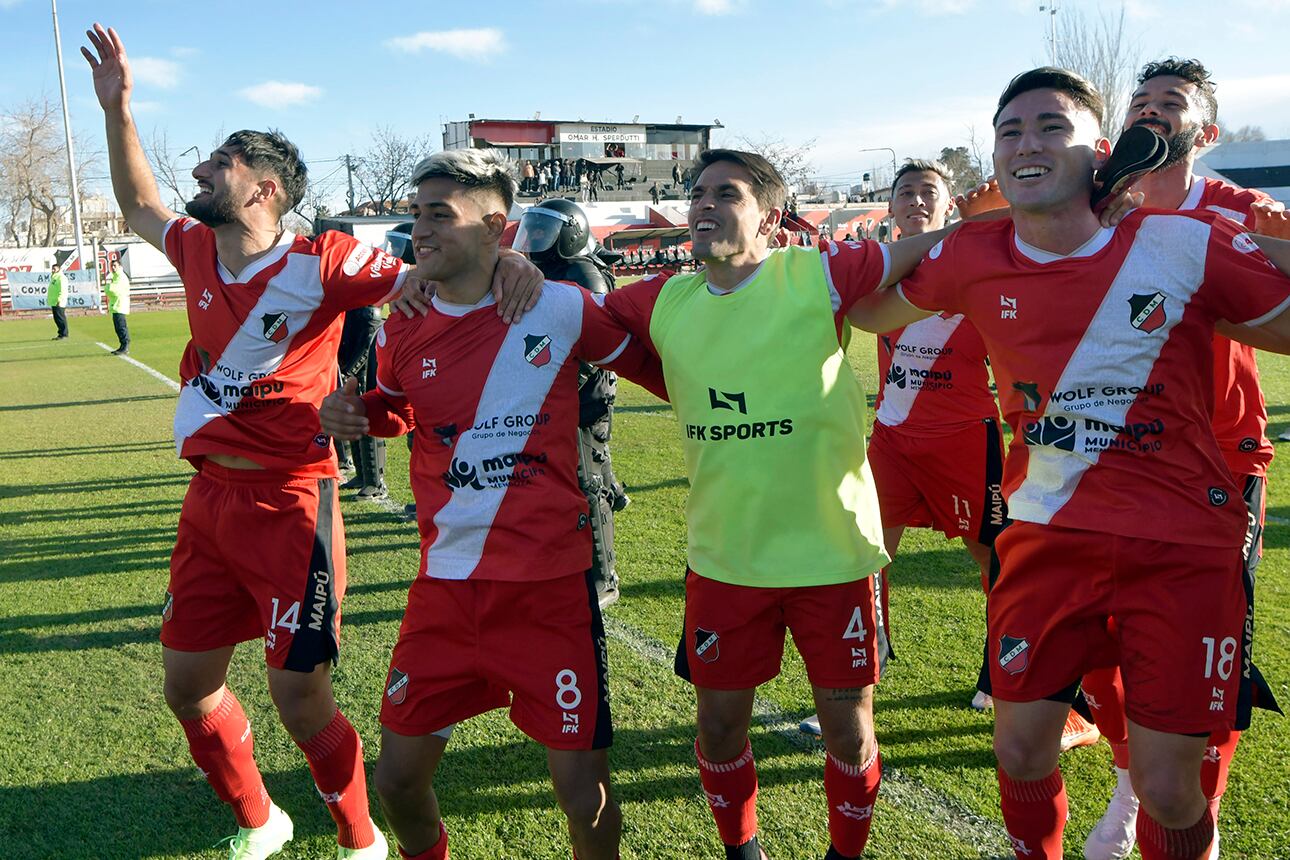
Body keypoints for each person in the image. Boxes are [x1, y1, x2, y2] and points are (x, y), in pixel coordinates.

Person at [83, 23, 542, 860]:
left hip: (293, 498)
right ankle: (262, 820)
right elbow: (138, 201)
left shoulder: (323, 261)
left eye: (215, 163)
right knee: (188, 689)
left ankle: (360, 838)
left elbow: (422, 272)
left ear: (261, 188)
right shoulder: (193, 248)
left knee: (301, 700)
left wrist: (508, 260)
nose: (196, 172)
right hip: (209, 502)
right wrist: (118, 108)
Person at [846, 66, 1290, 860]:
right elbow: (872, 307)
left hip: (1181, 544)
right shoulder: (975, 252)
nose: (1028, 142)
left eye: (1053, 126)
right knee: (1018, 752)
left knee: (1169, 787)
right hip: (1044, 537)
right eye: (1011, 130)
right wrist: (939, 235)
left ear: (1102, 152)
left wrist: (1249, 244)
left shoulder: (1186, 241)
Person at [318, 149, 666, 860]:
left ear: (496, 229)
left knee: (583, 795)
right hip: (445, 590)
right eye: (417, 214)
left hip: (549, 594)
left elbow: (658, 367)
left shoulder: (561, 306)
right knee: (397, 781)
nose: (421, 229)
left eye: (440, 216)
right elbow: (396, 409)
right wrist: (354, 413)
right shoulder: (403, 322)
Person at [604, 149, 951, 860]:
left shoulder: (814, 274)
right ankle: (743, 851)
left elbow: (933, 246)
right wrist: (514, 270)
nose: (702, 205)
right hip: (726, 560)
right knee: (721, 728)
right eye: (696, 193)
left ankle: (843, 856)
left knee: (848, 729)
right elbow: (573, 319)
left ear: (768, 215)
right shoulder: (658, 299)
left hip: (833, 555)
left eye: (724, 194)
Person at [1078, 57, 1284, 860]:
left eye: (1173, 104)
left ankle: (1198, 804)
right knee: (1098, 645)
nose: (1154, 113)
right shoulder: (1093, 200)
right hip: (1097, 455)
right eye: (1142, 101)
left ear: (1209, 131)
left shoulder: (1240, 210)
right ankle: (1133, 778)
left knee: (1203, 657)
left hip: (1216, 467)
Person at [514, 197, 630, 609]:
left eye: (545, 230)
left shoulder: (582, 273)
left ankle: (605, 578)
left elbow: (589, 350)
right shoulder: (548, 270)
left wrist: (551, 390)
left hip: (585, 395)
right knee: (587, 470)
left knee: (588, 479)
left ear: (570, 232)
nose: (536, 238)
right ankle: (615, 492)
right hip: (562, 389)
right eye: (535, 228)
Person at [336, 305, 387, 499]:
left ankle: (375, 482)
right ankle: (361, 474)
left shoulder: (369, 310)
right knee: (352, 406)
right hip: (351, 324)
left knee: (366, 410)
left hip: (367, 324)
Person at [105, 258, 131, 354]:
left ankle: (125, 346)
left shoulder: (120, 277)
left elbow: (113, 290)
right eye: (112, 266)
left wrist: (107, 287)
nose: (113, 268)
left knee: (121, 327)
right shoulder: (116, 276)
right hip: (116, 305)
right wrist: (109, 288)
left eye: (115, 265)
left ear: (120, 266)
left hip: (120, 305)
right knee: (118, 327)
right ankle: (122, 346)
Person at [48, 262, 69, 339]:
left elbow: (62, 290)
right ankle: (61, 333)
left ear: (59, 269)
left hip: (59, 301)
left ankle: (64, 334)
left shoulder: (61, 277)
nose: (53, 270)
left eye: (55, 268)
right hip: (54, 301)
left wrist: (59, 300)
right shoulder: (54, 277)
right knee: (57, 318)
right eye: (52, 269)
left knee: (60, 318)